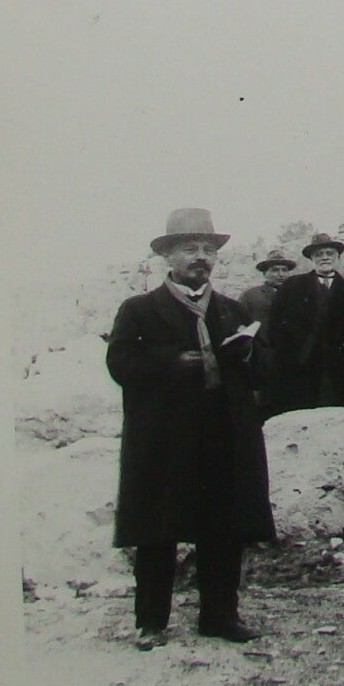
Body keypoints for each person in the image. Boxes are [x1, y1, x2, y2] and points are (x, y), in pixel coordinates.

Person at [106, 207, 274, 649]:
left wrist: (248, 356)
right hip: (165, 439)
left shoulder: (232, 309)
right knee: (157, 531)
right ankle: (151, 622)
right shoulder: (139, 310)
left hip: (223, 438)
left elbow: (264, 372)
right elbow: (119, 364)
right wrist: (171, 364)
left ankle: (220, 616)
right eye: (190, 249)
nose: (201, 257)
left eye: (207, 249)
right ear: (169, 257)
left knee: (223, 530)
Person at [268, 234, 344, 413]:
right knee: (298, 414)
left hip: (334, 364)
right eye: (319, 254)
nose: (324, 257)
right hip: (297, 364)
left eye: (329, 253)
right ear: (312, 258)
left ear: (338, 257)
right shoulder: (293, 285)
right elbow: (275, 323)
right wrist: (286, 352)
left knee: (335, 414)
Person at [235, 249, 296, 416]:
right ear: (264, 273)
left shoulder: (298, 293)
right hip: (262, 357)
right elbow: (239, 325)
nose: (280, 274)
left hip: (292, 357)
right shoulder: (251, 296)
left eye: (284, 270)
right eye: (274, 270)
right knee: (264, 404)